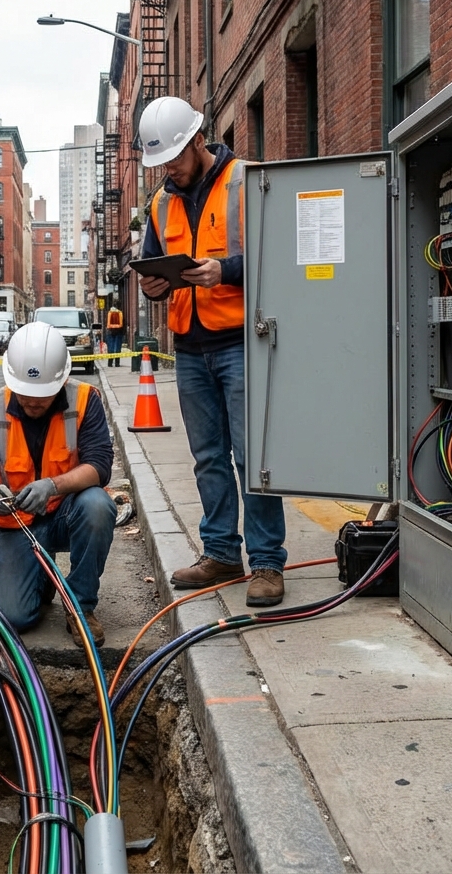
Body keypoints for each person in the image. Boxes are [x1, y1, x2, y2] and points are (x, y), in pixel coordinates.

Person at [137, 96, 287, 607]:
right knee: (208, 459)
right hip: (190, 347)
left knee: (253, 458)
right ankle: (221, 552)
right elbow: (153, 264)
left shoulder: (245, 181)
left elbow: (278, 254)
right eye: (160, 163)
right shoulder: (160, 202)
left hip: (240, 342)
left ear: (197, 140)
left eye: (174, 158)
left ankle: (267, 562)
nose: (170, 170)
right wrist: (153, 287)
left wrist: (226, 270)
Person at [0, 322, 116, 646]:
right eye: (26, 394)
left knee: (98, 506)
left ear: (60, 381)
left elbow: (100, 467)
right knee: (13, 618)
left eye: (43, 396)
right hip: (18, 521)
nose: (33, 402)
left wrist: (53, 486)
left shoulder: (84, 400)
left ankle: (80, 606)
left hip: (66, 512)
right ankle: (43, 578)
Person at [105, 302, 125, 366]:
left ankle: (110, 363)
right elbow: (123, 324)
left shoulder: (109, 313)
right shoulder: (120, 313)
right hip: (119, 332)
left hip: (110, 332)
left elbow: (107, 323)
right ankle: (117, 363)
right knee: (117, 348)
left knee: (110, 348)